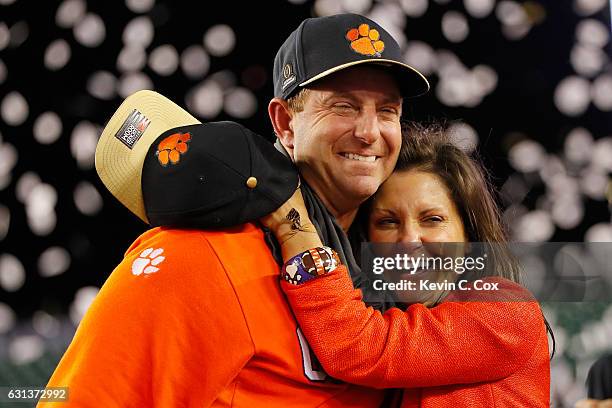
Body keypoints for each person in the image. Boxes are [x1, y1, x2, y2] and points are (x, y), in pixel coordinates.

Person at [40, 12, 429, 407]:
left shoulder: (399, 257)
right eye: (343, 106)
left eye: (387, 111)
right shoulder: (194, 259)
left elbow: (486, 317)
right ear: (285, 123)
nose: (368, 133)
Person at [261, 122, 551, 407]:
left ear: (468, 234)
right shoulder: (389, 329)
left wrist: (294, 228)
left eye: (432, 219)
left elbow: (357, 348)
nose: (409, 241)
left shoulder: (508, 312)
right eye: (388, 222)